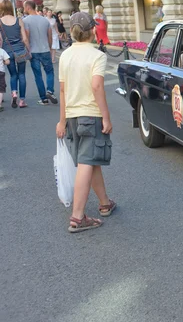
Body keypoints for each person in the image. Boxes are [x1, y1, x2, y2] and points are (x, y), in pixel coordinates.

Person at [56, 12, 116, 233]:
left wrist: (61, 121)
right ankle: (78, 217)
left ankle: (104, 203)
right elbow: (97, 86)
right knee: (86, 163)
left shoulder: (65, 55)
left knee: (89, 160)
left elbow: (62, 90)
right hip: (91, 114)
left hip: (71, 116)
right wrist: (107, 117)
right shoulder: (96, 56)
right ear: (92, 31)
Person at [23, 0, 56, 105]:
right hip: (45, 49)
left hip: (34, 51)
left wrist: (28, 50)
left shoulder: (25, 21)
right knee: (49, 72)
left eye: (24, 7)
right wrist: (50, 47)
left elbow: (26, 37)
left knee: (38, 76)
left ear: (28, 7)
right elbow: (49, 36)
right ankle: (50, 91)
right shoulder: (45, 20)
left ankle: (44, 99)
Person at [0, 0, 30, 108]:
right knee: (21, 74)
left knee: (13, 75)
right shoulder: (19, 20)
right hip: (20, 51)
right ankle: (22, 100)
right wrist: (28, 49)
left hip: (7, 52)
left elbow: (0, 40)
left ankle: (14, 93)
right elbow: (25, 38)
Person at [0, 47, 10, 112]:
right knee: (1, 89)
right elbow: (7, 62)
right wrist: (4, 62)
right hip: (1, 71)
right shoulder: (2, 51)